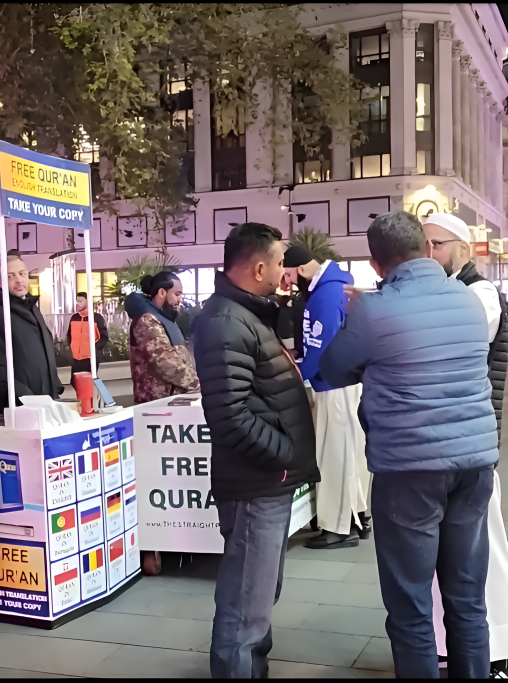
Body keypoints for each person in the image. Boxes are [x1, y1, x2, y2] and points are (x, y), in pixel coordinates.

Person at [318, 211, 498, 679]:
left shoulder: (374, 309)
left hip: (410, 467)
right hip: (475, 463)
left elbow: (333, 369)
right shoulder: (468, 300)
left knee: (411, 602)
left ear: (377, 264)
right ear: (425, 247)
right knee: (466, 597)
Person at [192, 223, 319, 678]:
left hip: (266, 480)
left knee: (259, 594)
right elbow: (229, 415)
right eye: (282, 262)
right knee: (246, 600)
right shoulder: (226, 320)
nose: (286, 271)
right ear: (260, 266)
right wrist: (284, 454)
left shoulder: (246, 313)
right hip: (256, 482)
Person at [420, 213, 508, 678]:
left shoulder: (479, 293)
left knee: (485, 549)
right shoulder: (451, 290)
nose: (428, 254)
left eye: (435, 245)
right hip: (446, 441)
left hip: (473, 443)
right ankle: (452, 648)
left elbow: (447, 347)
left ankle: (499, 650)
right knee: (453, 557)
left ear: (462, 246)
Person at [282, 245, 370, 550]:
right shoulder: (329, 289)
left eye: (289, 276)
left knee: (334, 458)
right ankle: (357, 516)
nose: (289, 283)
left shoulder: (326, 294)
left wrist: (297, 374)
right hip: (339, 381)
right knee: (348, 455)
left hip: (333, 384)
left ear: (301, 269)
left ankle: (338, 527)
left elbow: (322, 347)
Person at [0, 250, 62, 415]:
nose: (19, 279)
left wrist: (54, 388)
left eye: (22, 274)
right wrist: (27, 399)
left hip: (45, 404)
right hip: (18, 412)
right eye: (11, 276)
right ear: (0, 281)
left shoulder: (32, 308)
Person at [125, 272, 199, 404]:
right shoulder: (147, 321)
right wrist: (197, 384)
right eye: (177, 294)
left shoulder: (164, 320)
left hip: (171, 404)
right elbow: (166, 363)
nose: (180, 299)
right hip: (158, 408)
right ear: (162, 293)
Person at [66, 291, 108, 388]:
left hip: (90, 357)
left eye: (80, 301)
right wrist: (73, 347)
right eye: (77, 301)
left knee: (88, 383)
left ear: (87, 302)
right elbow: (69, 335)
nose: (78, 304)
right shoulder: (74, 317)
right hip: (76, 358)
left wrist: (94, 349)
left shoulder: (96, 318)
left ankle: (90, 401)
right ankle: (82, 401)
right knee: (75, 382)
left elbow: (104, 337)